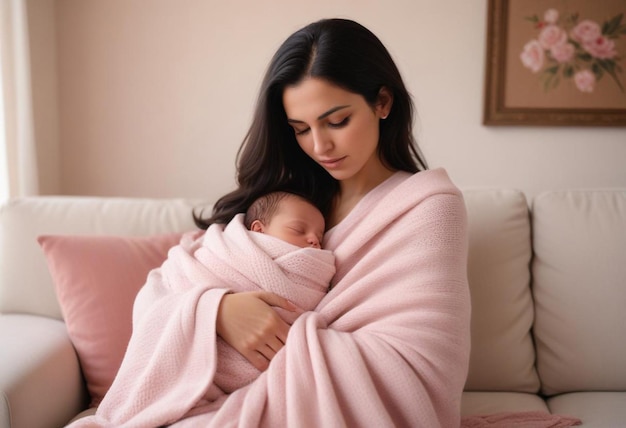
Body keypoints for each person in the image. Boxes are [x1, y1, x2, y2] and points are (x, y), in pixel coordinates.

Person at [72, 17, 470, 428]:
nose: (320, 146)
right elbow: (165, 288)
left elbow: (419, 367)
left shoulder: (428, 208)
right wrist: (218, 310)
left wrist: (286, 341)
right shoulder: (285, 197)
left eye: (337, 121)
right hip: (217, 392)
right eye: (300, 129)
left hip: (301, 400)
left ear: (383, 103)